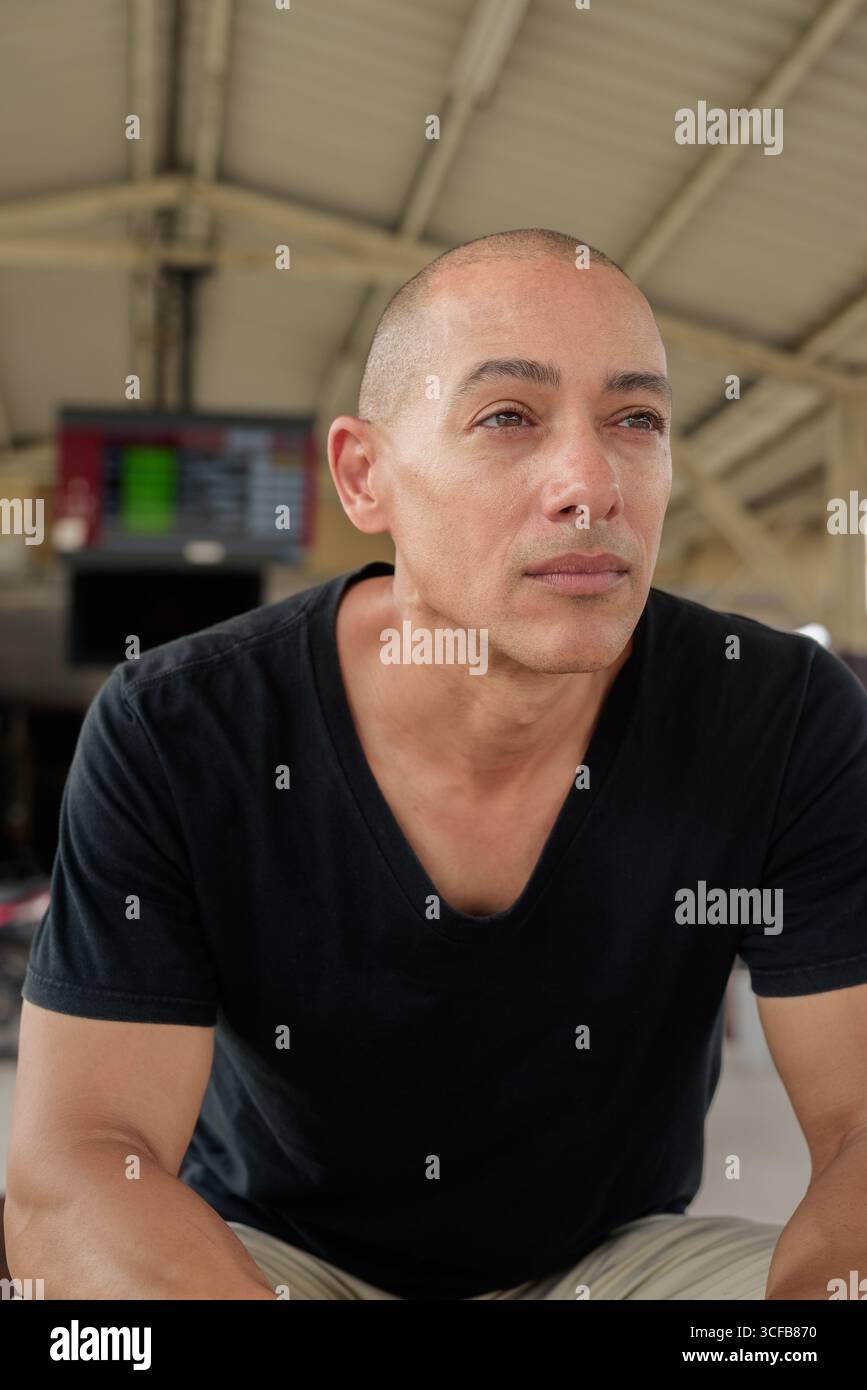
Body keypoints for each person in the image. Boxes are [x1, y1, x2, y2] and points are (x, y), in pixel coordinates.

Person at [7, 229, 867, 1301]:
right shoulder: (181, 729)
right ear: (366, 477)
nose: (590, 482)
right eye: (508, 415)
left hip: (616, 1265)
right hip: (268, 1262)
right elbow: (82, 1155)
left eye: (635, 420)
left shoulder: (780, 713)